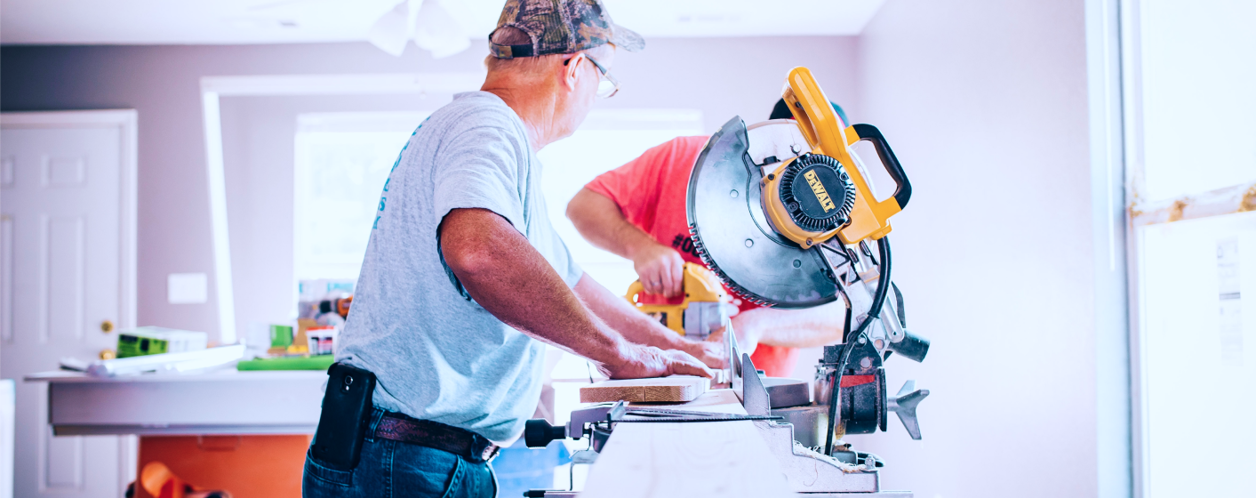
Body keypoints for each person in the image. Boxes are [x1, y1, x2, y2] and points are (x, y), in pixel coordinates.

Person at [304, 1, 724, 496]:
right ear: (574, 68)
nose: (597, 95)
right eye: (603, 79)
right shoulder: (487, 125)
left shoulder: (492, 142)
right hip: (406, 458)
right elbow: (478, 252)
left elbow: (574, 286)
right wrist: (617, 354)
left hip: (408, 453)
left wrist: (679, 351)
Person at [566, 101, 859, 378]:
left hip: (754, 386)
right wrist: (640, 247)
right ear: (769, 139)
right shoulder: (683, 159)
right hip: (656, 368)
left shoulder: (835, 222)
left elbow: (847, 314)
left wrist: (754, 325)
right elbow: (583, 206)